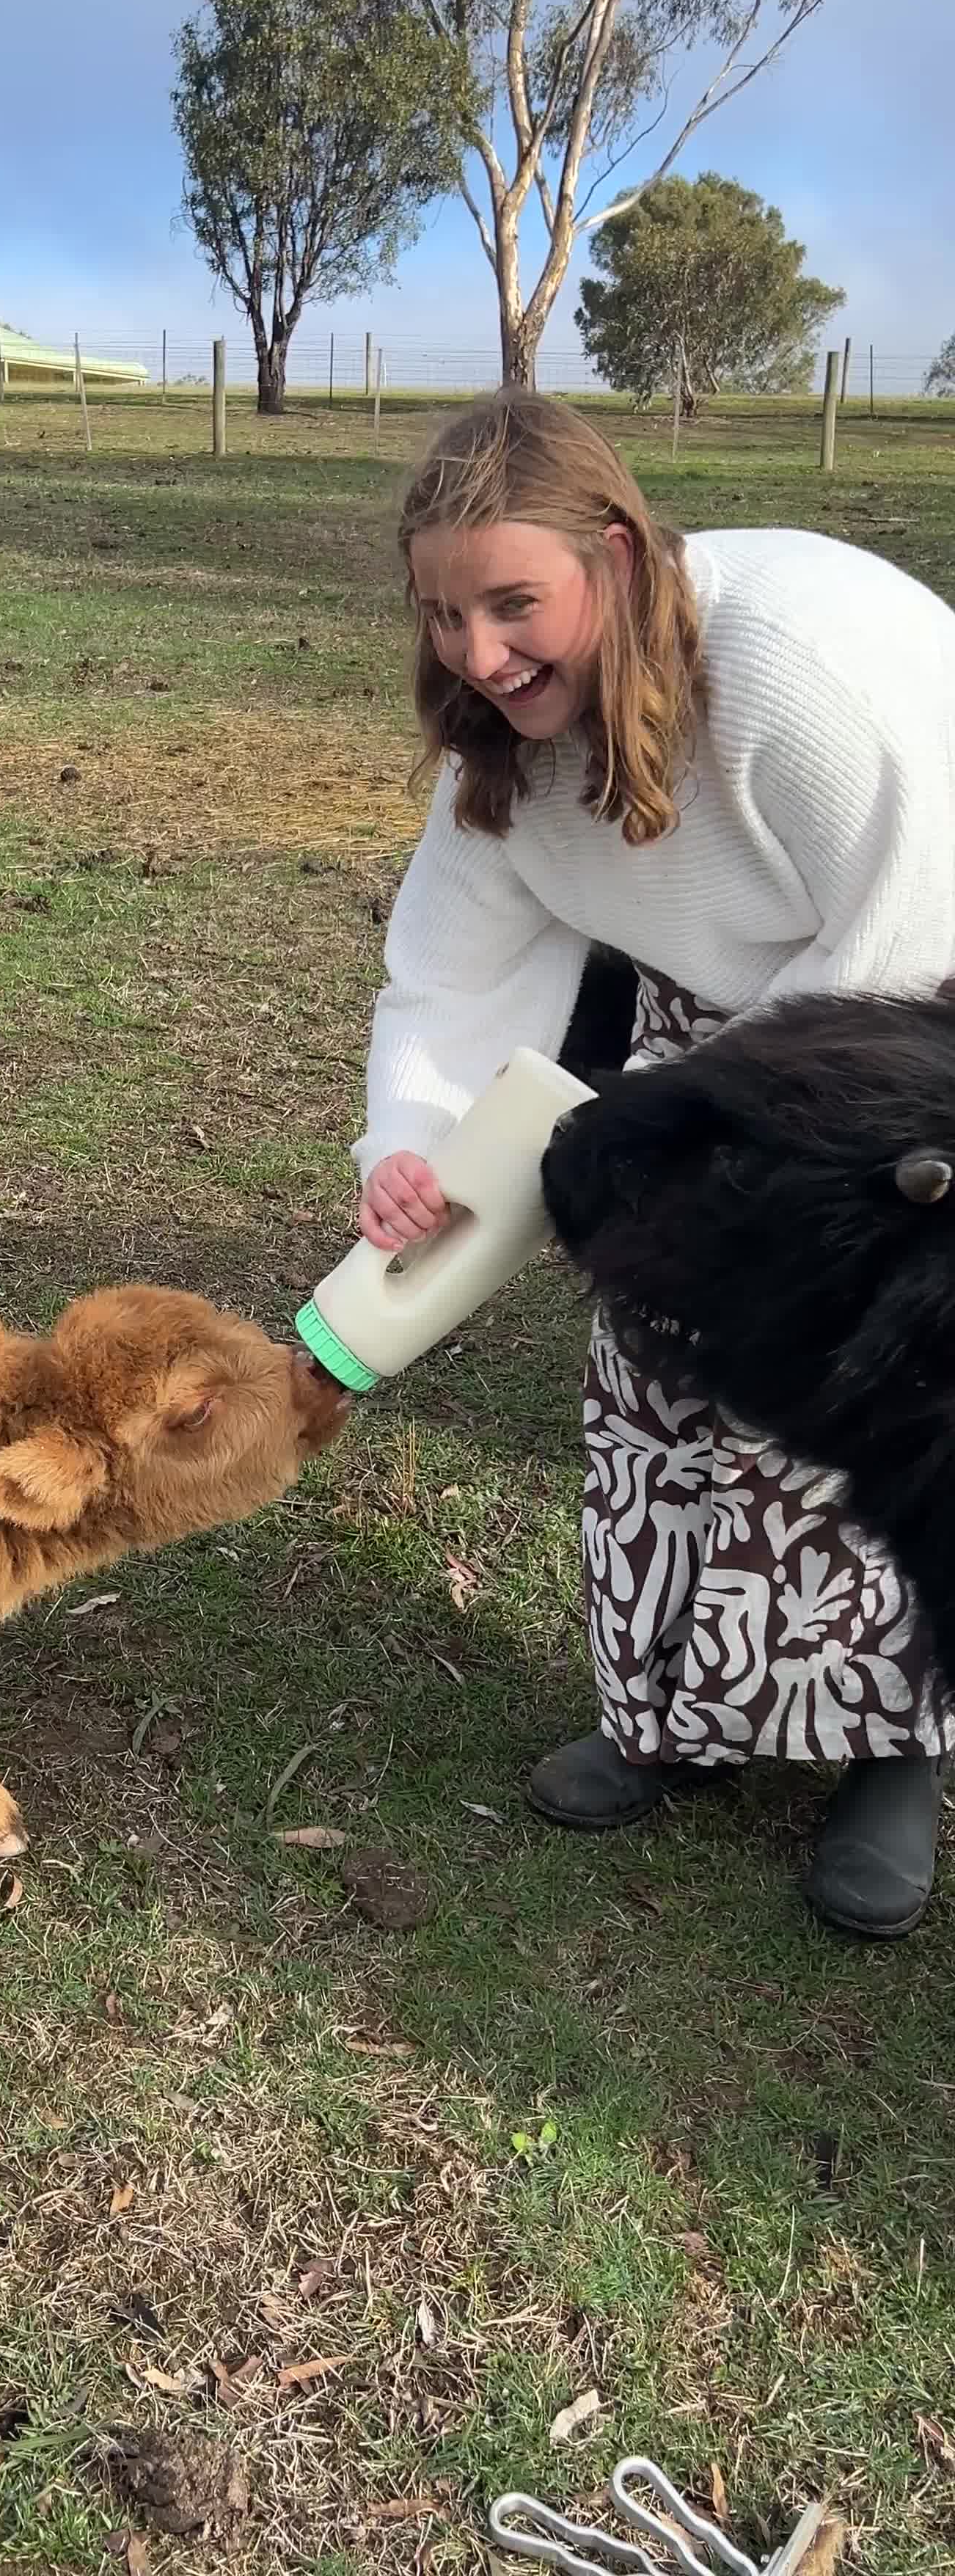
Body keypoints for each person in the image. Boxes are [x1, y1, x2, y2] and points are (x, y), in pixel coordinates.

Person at [356, 387, 955, 1940]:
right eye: (444, 615)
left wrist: (711, 1125)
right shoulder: (506, 752)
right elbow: (449, 972)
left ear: (615, 559)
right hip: (722, 1029)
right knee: (658, 1371)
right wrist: (411, 1150)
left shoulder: (798, 674)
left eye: (513, 603)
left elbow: (907, 930)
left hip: (914, 1013)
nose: (478, 655)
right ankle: (677, 1717)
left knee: (858, 1383)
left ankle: (893, 1753)